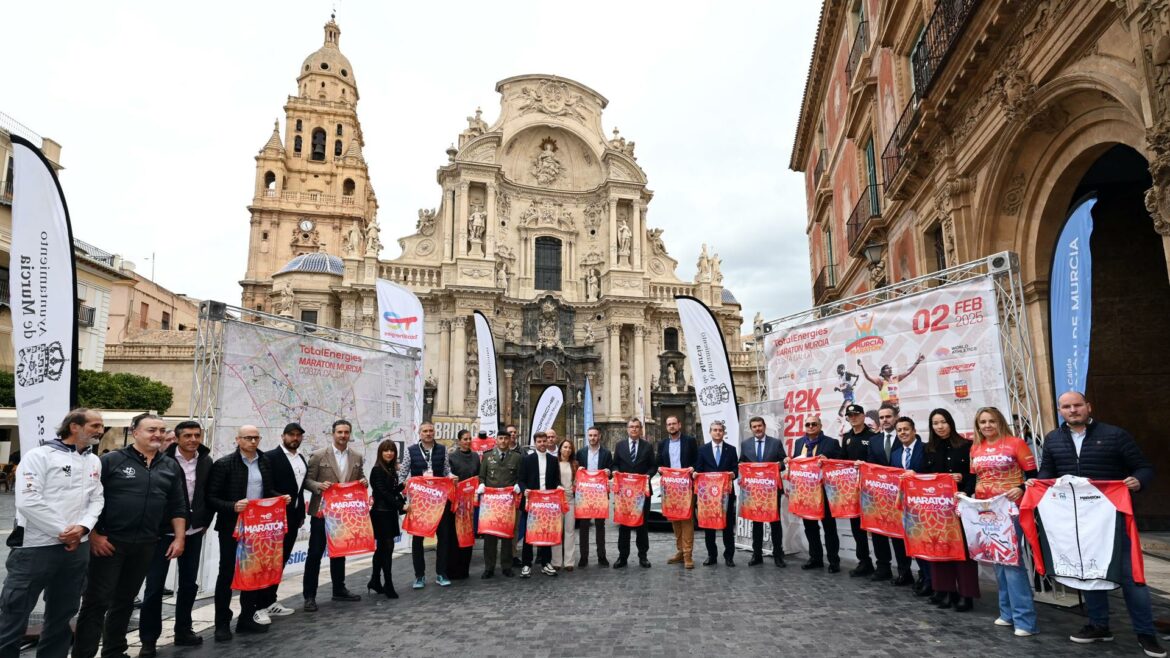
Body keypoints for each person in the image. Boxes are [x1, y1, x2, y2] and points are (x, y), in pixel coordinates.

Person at [1036, 392, 1162, 656]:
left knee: (1131, 577)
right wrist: (1037, 484)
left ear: (1088, 406)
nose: (1073, 410)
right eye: (1067, 406)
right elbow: (1047, 473)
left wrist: (1138, 481)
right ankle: (1098, 626)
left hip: (1113, 519)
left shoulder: (1115, 435)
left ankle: (1146, 633)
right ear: (1060, 411)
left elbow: (1144, 468)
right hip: (1077, 522)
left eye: (1077, 405)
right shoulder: (1053, 439)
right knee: (1088, 572)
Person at [73, 413, 187, 658]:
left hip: (146, 544)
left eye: (161, 430)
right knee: (96, 602)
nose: (157, 434)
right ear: (135, 432)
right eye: (151, 430)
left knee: (125, 601)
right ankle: (84, 653)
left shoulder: (170, 465)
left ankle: (114, 651)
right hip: (108, 543)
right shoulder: (111, 460)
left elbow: (178, 505)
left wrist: (179, 538)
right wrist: (93, 536)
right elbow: (86, 500)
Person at [0, 409, 104, 658]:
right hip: (35, 548)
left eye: (101, 425)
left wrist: (83, 528)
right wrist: (64, 532)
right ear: (74, 427)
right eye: (95, 425)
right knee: (14, 613)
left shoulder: (93, 460)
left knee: (63, 614)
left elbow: (97, 499)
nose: (101, 430)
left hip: (76, 549)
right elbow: (28, 501)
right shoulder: (39, 455)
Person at [206, 425, 287, 641]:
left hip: (257, 528)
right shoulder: (224, 464)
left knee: (253, 573)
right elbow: (211, 498)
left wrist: (280, 498)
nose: (253, 441)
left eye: (256, 438)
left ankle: (246, 618)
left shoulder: (265, 462)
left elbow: (267, 491)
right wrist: (232, 506)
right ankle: (222, 624)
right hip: (232, 528)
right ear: (238, 439)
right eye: (248, 438)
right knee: (227, 575)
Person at [139, 421, 212, 655]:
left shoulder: (206, 461)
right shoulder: (163, 461)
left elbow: (209, 494)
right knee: (154, 587)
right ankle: (148, 640)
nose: (192, 439)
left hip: (194, 532)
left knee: (189, 584)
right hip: (162, 533)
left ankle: (183, 630)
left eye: (196, 435)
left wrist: (204, 522)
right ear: (178, 438)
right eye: (187, 435)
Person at [970, 407, 1038, 638]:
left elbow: (1033, 476)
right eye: (982, 422)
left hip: (1010, 510)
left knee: (1011, 561)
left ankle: (1025, 620)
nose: (987, 425)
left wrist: (1019, 488)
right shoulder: (976, 447)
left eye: (991, 421)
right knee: (997, 559)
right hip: (985, 511)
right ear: (977, 425)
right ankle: (1007, 613)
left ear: (1000, 422)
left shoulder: (1016, 443)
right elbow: (977, 478)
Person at [303, 420, 367, 610]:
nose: (343, 435)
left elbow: (360, 478)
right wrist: (317, 486)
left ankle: (339, 589)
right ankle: (309, 596)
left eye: (346, 432)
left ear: (350, 434)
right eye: (339, 432)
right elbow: (307, 480)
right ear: (333, 434)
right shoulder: (318, 455)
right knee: (315, 553)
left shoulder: (356, 456)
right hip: (322, 512)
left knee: (339, 553)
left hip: (343, 514)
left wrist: (364, 482)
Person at [922, 408, 978, 611]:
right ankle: (944, 591)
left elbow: (975, 474)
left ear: (951, 423)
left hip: (961, 505)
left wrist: (964, 482)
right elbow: (924, 476)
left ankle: (966, 595)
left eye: (943, 422)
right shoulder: (928, 449)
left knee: (963, 552)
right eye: (935, 423)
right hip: (937, 508)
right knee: (939, 548)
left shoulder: (966, 446)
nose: (940, 426)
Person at [257, 422, 308, 618]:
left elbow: (299, 489)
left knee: (282, 559)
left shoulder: (301, 458)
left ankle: (271, 600)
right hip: (274, 519)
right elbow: (266, 487)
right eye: (291, 435)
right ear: (283, 436)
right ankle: (260, 603)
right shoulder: (270, 457)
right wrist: (279, 498)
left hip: (293, 518)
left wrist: (300, 512)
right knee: (268, 560)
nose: (295, 438)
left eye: (298, 435)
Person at [398, 422, 456, 589]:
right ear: (420, 432)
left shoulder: (443, 450)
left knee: (443, 537)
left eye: (431, 431)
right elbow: (403, 475)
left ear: (434, 432)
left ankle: (441, 573)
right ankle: (419, 576)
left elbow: (446, 471)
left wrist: (452, 477)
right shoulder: (411, 451)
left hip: (439, 500)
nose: (428, 433)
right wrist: (406, 493)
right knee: (418, 539)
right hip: (420, 503)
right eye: (425, 431)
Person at [788, 414, 841, 573]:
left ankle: (833, 561)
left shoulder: (831, 443)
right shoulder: (799, 443)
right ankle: (815, 558)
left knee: (829, 528)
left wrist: (828, 460)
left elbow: (839, 463)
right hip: (805, 494)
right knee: (810, 528)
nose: (810, 427)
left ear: (820, 426)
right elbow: (796, 462)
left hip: (825, 493)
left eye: (814, 424)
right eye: (808, 424)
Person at [841, 403, 883, 577]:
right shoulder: (846, 437)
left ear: (863, 416)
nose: (853, 418)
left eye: (856, 415)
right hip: (853, 491)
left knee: (876, 530)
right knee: (857, 529)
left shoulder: (874, 436)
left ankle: (883, 565)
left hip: (872, 491)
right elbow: (842, 461)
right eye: (850, 416)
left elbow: (879, 463)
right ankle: (864, 562)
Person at [740, 416, 786, 568]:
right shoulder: (745, 444)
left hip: (772, 490)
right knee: (757, 523)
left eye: (760, 426)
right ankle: (757, 554)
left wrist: (774, 467)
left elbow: (783, 462)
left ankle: (778, 555)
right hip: (754, 491)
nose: (757, 429)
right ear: (751, 428)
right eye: (754, 427)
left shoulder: (776, 443)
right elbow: (742, 463)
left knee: (775, 523)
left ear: (764, 426)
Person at [889, 417, 929, 590]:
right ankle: (921, 577)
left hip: (925, 505)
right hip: (905, 506)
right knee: (912, 543)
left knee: (925, 543)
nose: (903, 432)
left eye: (906, 429)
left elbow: (933, 474)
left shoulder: (926, 449)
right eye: (899, 430)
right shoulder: (896, 454)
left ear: (914, 430)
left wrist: (917, 476)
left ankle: (929, 580)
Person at [612, 418, 656, 568]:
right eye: (631, 427)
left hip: (642, 493)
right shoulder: (620, 446)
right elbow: (615, 464)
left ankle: (643, 556)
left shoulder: (648, 446)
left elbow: (653, 466)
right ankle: (622, 557)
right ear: (627, 429)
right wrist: (616, 472)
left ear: (641, 429)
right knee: (624, 526)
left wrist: (647, 476)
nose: (634, 429)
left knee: (642, 526)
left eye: (637, 427)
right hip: (625, 495)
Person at [657, 415, 699, 569]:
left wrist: (693, 468)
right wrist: (659, 468)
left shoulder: (690, 441)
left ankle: (688, 555)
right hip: (671, 487)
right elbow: (659, 462)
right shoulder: (663, 444)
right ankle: (680, 552)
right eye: (669, 424)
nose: (672, 426)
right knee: (675, 520)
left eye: (674, 423)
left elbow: (697, 460)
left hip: (687, 486)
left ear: (679, 425)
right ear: (666, 427)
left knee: (687, 520)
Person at [478, 430, 521, 579]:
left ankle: (506, 566)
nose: (503, 441)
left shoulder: (516, 457)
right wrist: (482, 485)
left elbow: (519, 477)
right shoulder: (488, 456)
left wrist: (518, 485)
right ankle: (489, 567)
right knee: (490, 536)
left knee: (507, 534)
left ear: (509, 440)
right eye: (500, 438)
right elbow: (482, 476)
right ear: (496, 440)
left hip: (507, 502)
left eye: (505, 438)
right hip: (491, 502)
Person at [695, 420, 738, 567]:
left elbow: (736, 470)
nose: (718, 432)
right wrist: (695, 474)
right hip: (708, 497)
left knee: (727, 526)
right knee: (709, 527)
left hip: (726, 494)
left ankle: (729, 556)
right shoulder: (703, 450)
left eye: (720, 430)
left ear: (724, 432)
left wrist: (733, 474)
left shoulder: (731, 450)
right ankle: (711, 555)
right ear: (710, 432)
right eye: (715, 430)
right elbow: (699, 468)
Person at [519, 431, 561, 577]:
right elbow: (521, 480)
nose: (543, 444)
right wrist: (525, 490)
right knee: (528, 533)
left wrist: (559, 487)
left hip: (547, 503)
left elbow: (556, 480)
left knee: (546, 532)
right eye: (540, 441)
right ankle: (526, 564)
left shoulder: (553, 460)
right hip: (532, 502)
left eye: (545, 441)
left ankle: (545, 563)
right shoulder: (527, 460)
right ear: (535, 443)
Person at [368, 439, 403, 598]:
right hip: (380, 513)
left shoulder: (391, 469)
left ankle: (375, 580)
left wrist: (403, 486)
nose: (389, 453)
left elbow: (391, 490)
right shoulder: (377, 470)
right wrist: (401, 506)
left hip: (389, 513)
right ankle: (388, 583)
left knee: (382, 549)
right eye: (385, 450)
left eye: (392, 450)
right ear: (380, 453)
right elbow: (383, 493)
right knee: (387, 548)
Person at [575, 426, 612, 567]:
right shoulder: (581, 453)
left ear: (599, 436)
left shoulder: (606, 453)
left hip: (600, 495)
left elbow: (612, 469)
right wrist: (577, 470)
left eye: (595, 435)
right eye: (590, 435)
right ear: (587, 436)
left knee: (600, 526)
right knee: (583, 527)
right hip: (584, 496)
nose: (592, 438)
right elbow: (575, 471)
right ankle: (583, 557)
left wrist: (609, 471)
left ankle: (601, 556)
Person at [447, 430, 481, 580]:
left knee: (468, 534)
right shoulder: (452, 457)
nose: (468, 441)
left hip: (470, 502)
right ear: (459, 441)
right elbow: (449, 478)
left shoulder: (475, 457)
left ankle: (464, 569)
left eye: (469, 439)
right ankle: (452, 569)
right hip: (456, 501)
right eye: (465, 439)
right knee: (455, 536)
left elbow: (478, 476)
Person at [857, 355, 925, 406]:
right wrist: (862, 366)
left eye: (890, 368)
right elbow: (868, 377)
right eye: (887, 368)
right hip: (886, 408)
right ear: (883, 373)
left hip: (896, 407)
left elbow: (908, 371)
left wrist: (917, 361)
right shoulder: (880, 382)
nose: (890, 369)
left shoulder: (896, 379)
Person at [552, 439, 578, 571]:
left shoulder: (575, 464)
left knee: (570, 530)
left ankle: (569, 562)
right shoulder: (553, 463)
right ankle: (556, 561)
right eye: (565, 447)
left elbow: (578, 480)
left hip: (570, 499)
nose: (567, 450)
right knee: (557, 530)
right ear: (560, 448)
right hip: (557, 500)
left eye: (569, 448)